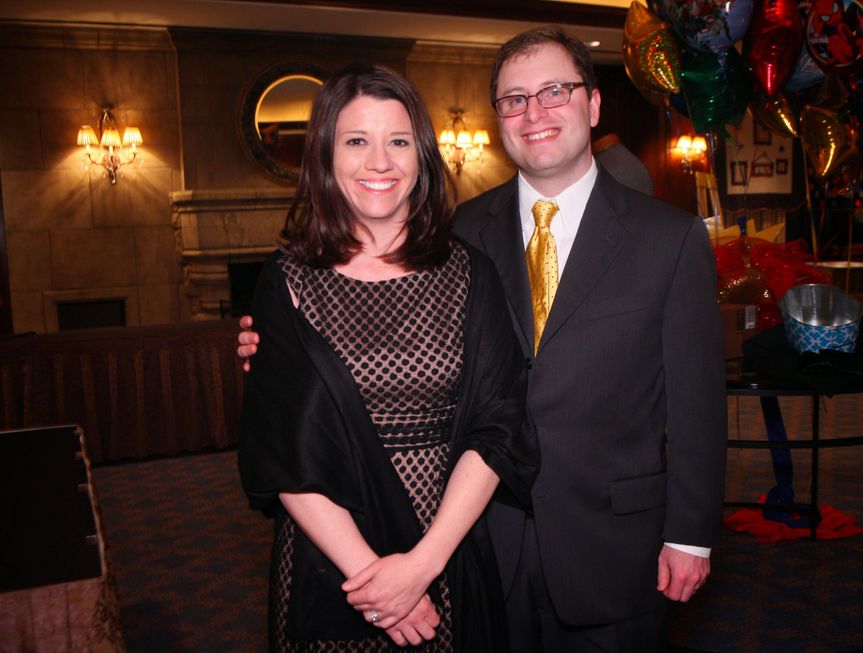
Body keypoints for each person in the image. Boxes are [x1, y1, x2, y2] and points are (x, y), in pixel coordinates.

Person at [241, 26, 727, 652]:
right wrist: (276, 351)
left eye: (554, 91)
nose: (535, 113)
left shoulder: (670, 237)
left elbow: (697, 403)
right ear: (498, 118)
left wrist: (690, 534)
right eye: (514, 99)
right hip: (481, 542)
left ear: (593, 104)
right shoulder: (459, 233)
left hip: (610, 541)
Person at [237, 63, 538, 653]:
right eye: (357, 141)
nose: (380, 162)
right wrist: (375, 583)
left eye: (398, 141)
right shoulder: (286, 281)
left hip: (445, 547)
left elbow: (498, 428)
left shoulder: (470, 274)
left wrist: (421, 567)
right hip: (330, 561)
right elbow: (282, 449)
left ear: (422, 155)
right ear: (325, 157)